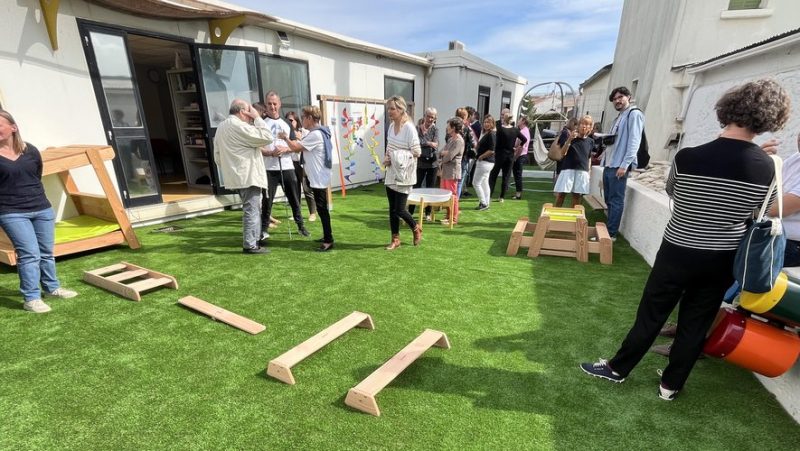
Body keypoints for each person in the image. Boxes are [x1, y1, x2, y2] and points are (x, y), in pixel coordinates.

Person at [580, 79, 791, 401]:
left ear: (727, 110)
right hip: (722, 256)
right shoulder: (767, 168)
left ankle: (618, 368)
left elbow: (673, 192)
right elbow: (761, 211)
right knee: (697, 320)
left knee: (652, 313)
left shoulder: (688, 156)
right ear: (769, 119)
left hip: (678, 247)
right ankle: (671, 385)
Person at [0, 110, 78, 313]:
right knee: (28, 254)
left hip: (42, 208)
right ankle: (31, 298)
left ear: (13, 127)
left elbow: (36, 175)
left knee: (46, 252)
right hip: (11, 211)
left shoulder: (31, 151)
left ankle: (52, 289)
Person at [213, 99, 275, 254]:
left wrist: (230, 168)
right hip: (248, 175)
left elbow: (217, 156)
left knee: (252, 208)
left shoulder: (221, 127)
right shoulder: (238, 126)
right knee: (252, 209)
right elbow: (267, 137)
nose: (251, 114)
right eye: (249, 111)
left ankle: (254, 240)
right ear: (242, 112)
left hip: (236, 176)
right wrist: (258, 118)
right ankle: (250, 244)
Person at [282, 106, 335, 251]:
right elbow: (300, 147)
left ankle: (328, 240)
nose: (302, 120)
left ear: (310, 118)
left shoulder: (315, 135)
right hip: (319, 177)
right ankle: (326, 236)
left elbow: (295, 147)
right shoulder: (318, 133)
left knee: (322, 210)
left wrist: (285, 137)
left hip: (319, 178)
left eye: (304, 117)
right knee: (322, 209)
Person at [260, 92, 310, 238]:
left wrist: (285, 149)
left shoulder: (287, 123)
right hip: (269, 169)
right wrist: (271, 153)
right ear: (266, 105)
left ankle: (301, 226)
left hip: (287, 167)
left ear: (279, 104)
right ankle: (263, 230)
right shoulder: (261, 123)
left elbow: (295, 146)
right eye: (269, 103)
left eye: (275, 103)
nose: (272, 106)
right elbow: (256, 148)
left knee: (294, 198)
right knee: (267, 201)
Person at [600, 86, 645, 240]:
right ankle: (608, 231)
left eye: (620, 97)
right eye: (614, 99)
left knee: (616, 201)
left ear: (629, 97)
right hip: (610, 164)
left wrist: (625, 165)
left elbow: (634, 141)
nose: (617, 101)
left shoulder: (634, 114)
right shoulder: (619, 117)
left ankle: (610, 235)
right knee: (609, 200)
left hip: (619, 165)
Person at [383, 95, 422, 250]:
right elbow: (390, 146)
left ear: (401, 109)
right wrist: (387, 158)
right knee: (391, 209)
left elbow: (417, 152)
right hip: (391, 172)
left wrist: (395, 157)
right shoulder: (392, 126)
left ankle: (415, 228)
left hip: (405, 174)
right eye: (388, 108)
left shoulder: (409, 128)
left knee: (399, 209)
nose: (389, 112)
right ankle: (395, 239)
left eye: (392, 108)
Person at [768, 131, 800, 267]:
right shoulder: (796, 158)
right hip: (773, 233)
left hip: (792, 245)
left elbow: (776, 209)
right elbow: (770, 184)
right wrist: (762, 162)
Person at [552, 115, 594, 208]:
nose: (584, 126)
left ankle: (572, 217)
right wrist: (569, 140)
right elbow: (562, 153)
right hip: (568, 169)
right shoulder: (571, 138)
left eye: (587, 124)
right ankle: (556, 214)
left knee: (576, 195)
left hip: (582, 171)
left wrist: (589, 171)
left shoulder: (591, 141)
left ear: (590, 127)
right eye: (582, 124)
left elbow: (588, 157)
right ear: (578, 126)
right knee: (562, 194)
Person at [489, 109, 527, 202]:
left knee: (493, 175)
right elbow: (524, 139)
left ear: (504, 119)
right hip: (510, 156)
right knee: (506, 177)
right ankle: (501, 197)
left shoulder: (500, 129)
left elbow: (494, 139)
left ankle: (489, 196)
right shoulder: (515, 130)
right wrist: (518, 147)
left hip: (499, 155)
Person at [286, 111, 317, 223]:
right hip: (290, 163)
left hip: (302, 163)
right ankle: (296, 213)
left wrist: (299, 138)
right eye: (287, 121)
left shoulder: (304, 132)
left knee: (306, 187)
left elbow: (305, 147)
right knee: (294, 189)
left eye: (291, 120)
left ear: (296, 121)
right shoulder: (286, 133)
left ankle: (312, 213)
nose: (289, 123)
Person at [409, 107, 438, 221]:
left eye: (433, 117)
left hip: (432, 163)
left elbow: (436, 144)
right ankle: (410, 212)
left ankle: (428, 214)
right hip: (420, 162)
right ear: (424, 116)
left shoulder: (436, 130)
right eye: (429, 116)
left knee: (430, 189)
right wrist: (429, 143)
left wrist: (425, 143)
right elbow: (414, 142)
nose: (430, 119)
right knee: (416, 187)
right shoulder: (417, 128)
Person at [439, 117, 465, 225]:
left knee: (452, 195)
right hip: (446, 171)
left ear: (453, 128)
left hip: (453, 171)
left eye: (448, 125)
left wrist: (444, 155)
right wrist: (443, 153)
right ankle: (448, 215)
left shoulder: (459, 141)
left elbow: (450, 156)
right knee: (446, 194)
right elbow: (442, 151)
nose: (447, 127)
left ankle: (453, 219)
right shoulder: (451, 139)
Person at [473, 115, 496, 211]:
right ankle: (486, 203)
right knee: (484, 183)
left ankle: (483, 203)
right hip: (487, 162)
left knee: (476, 183)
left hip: (485, 162)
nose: (486, 124)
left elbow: (492, 150)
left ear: (492, 124)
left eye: (488, 122)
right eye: (485, 122)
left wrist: (481, 157)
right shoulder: (486, 133)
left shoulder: (491, 134)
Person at [453, 108, 477, 199]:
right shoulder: (467, 128)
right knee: (459, 182)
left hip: (452, 158)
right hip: (463, 158)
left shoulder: (451, 127)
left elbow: (447, 140)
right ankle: (455, 204)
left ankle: (449, 203)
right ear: (464, 116)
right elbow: (473, 143)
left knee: (452, 182)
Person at [511, 116, 531, 200]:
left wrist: (515, 156)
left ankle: (518, 194)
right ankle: (517, 192)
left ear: (523, 121)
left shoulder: (524, 132)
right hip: (520, 155)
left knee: (518, 174)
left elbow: (522, 146)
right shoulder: (524, 131)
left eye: (519, 119)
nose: (518, 121)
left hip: (520, 155)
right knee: (516, 174)